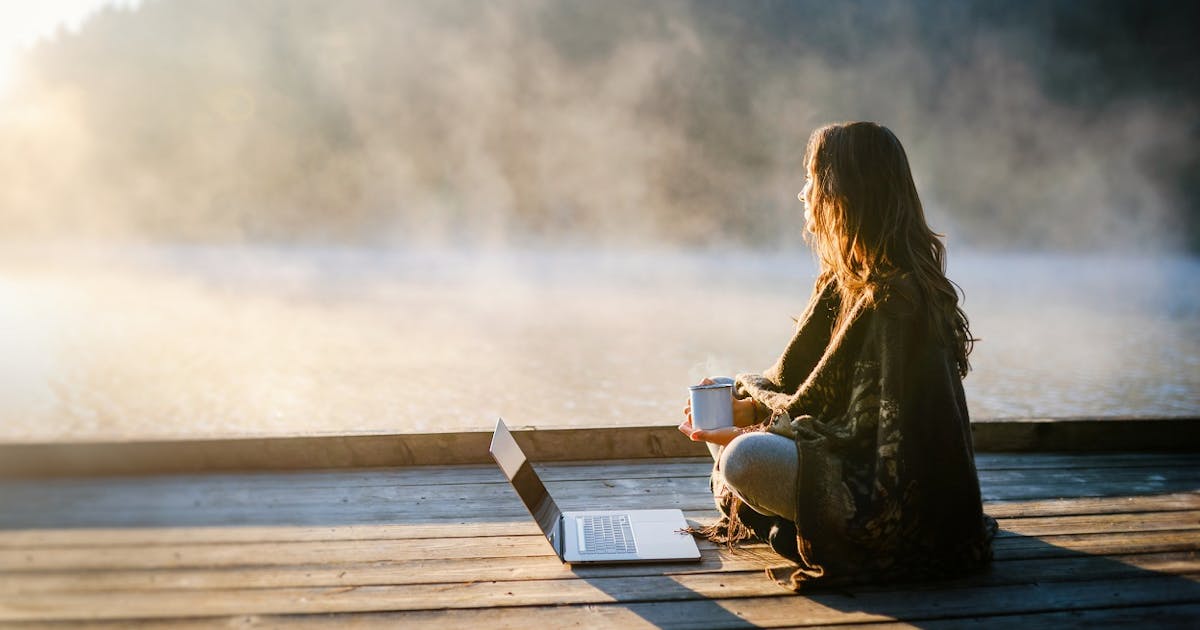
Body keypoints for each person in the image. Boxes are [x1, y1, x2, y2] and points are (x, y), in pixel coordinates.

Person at [678, 121, 995, 591]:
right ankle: (778, 519)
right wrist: (745, 410)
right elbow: (804, 393)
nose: (802, 194)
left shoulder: (896, 301)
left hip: (888, 496)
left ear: (842, 194)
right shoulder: (840, 282)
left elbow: (871, 437)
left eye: (811, 179)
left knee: (744, 459)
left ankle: (780, 521)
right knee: (721, 396)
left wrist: (747, 432)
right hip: (832, 444)